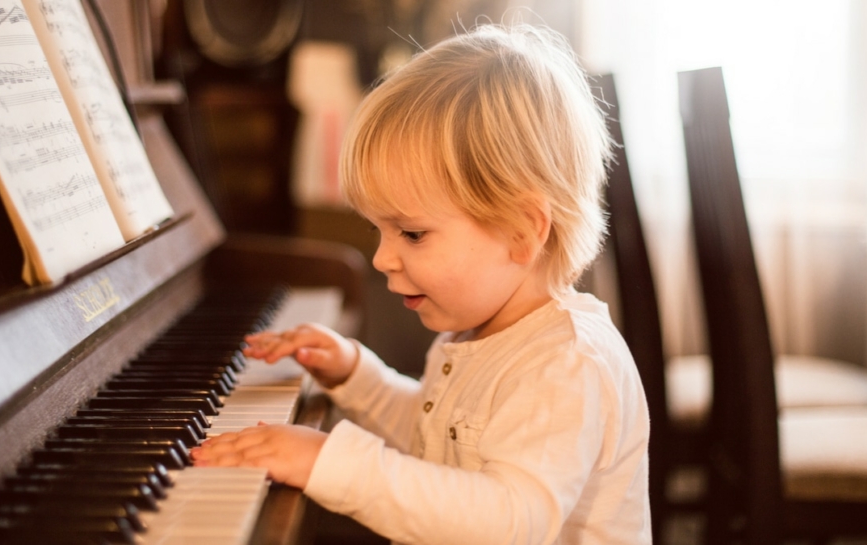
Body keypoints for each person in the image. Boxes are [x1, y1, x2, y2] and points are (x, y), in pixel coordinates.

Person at [191, 22, 651, 544]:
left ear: (522, 231)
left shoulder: (568, 365)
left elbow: (511, 521)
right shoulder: (475, 333)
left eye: (411, 233)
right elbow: (435, 436)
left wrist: (330, 459)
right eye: (378, 230)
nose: (383, 258)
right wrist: (357, 375)